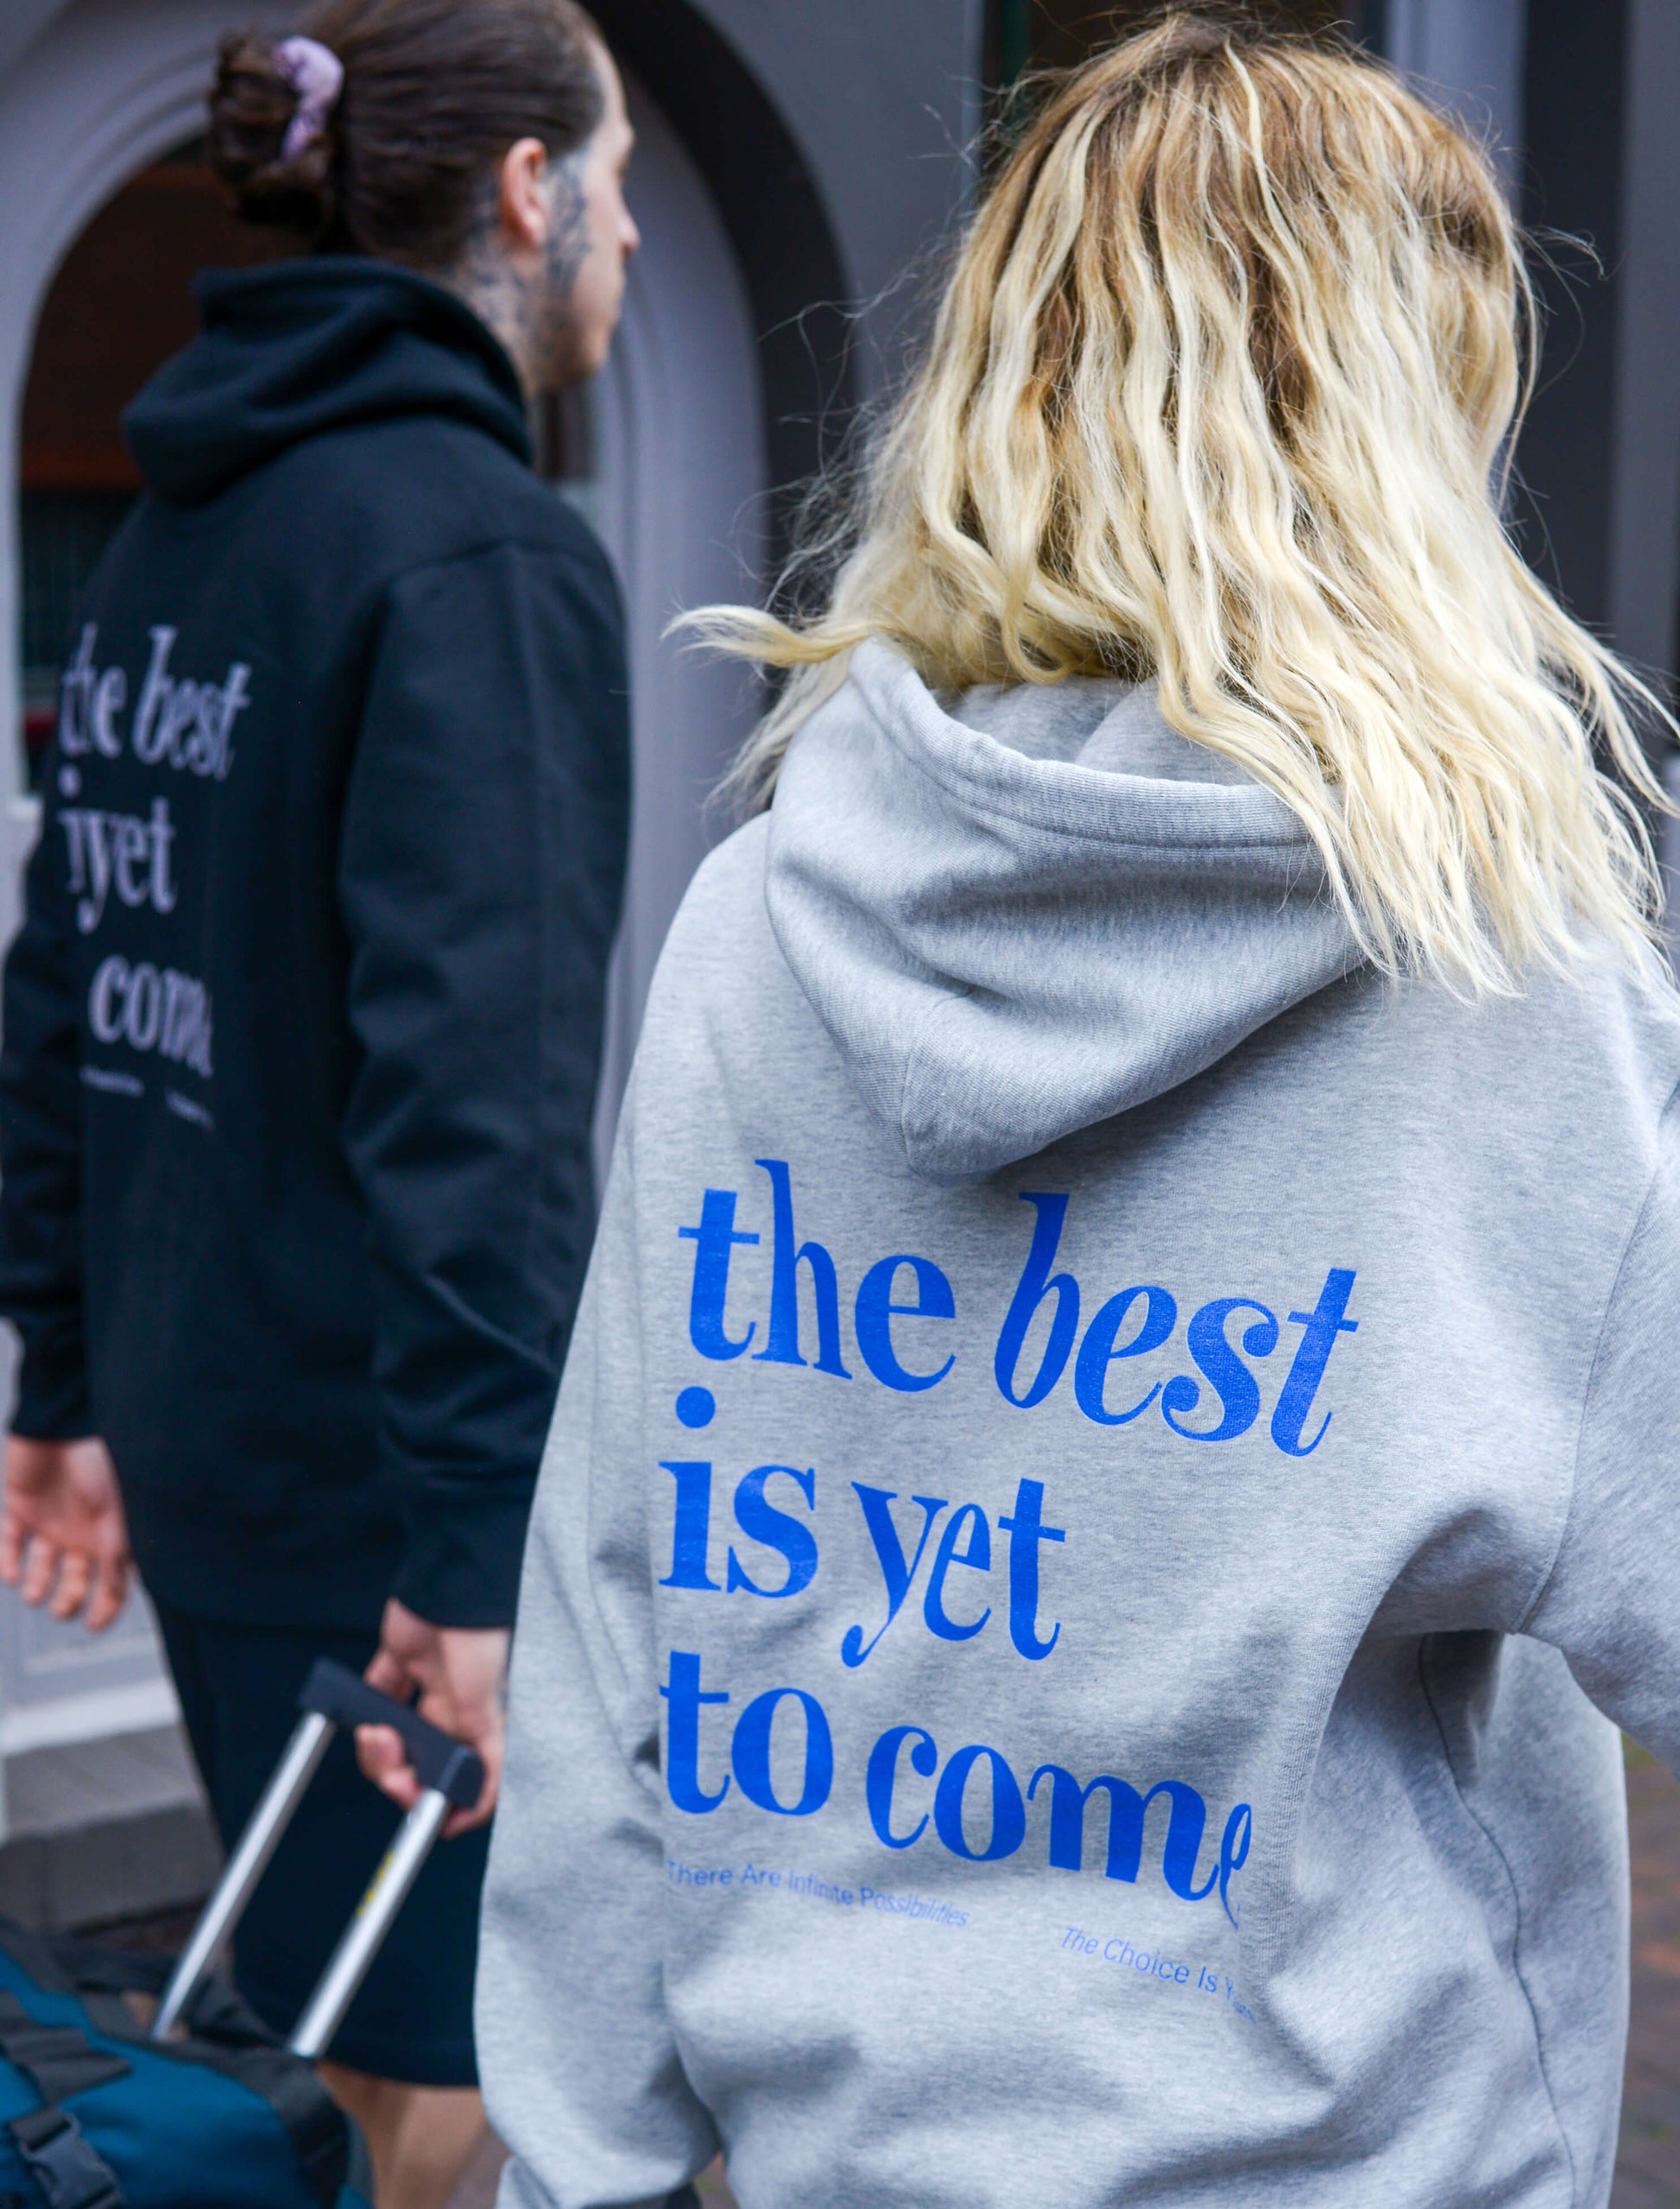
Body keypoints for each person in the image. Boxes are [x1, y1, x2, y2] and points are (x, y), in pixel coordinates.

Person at [478, 12, 1680, 2208]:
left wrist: (583, 2169)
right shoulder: (1501, 982)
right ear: (1400, 448)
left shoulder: (765, 915)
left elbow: (606, 1619)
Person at [0, 3, 636, 2203]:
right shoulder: (473, 552)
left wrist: (65, 1378)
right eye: (620, 180)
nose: (633, 236)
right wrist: (478, 1555)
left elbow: (67, 979)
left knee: (349, 2035)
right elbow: (480, 1097)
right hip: (391, 1501)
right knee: (458, 2078)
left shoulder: (186, 536)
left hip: (210, 1432)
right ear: (528, 196)